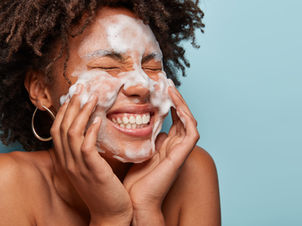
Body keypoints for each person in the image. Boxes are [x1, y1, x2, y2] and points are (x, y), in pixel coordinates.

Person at [0, 0, 220, 225]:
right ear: (41, 90)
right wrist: (110, 218)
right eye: (108, 67)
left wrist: (147, 210)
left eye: (152, 68)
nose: (142, 85)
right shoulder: (8, 183)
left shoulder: (191, 170)